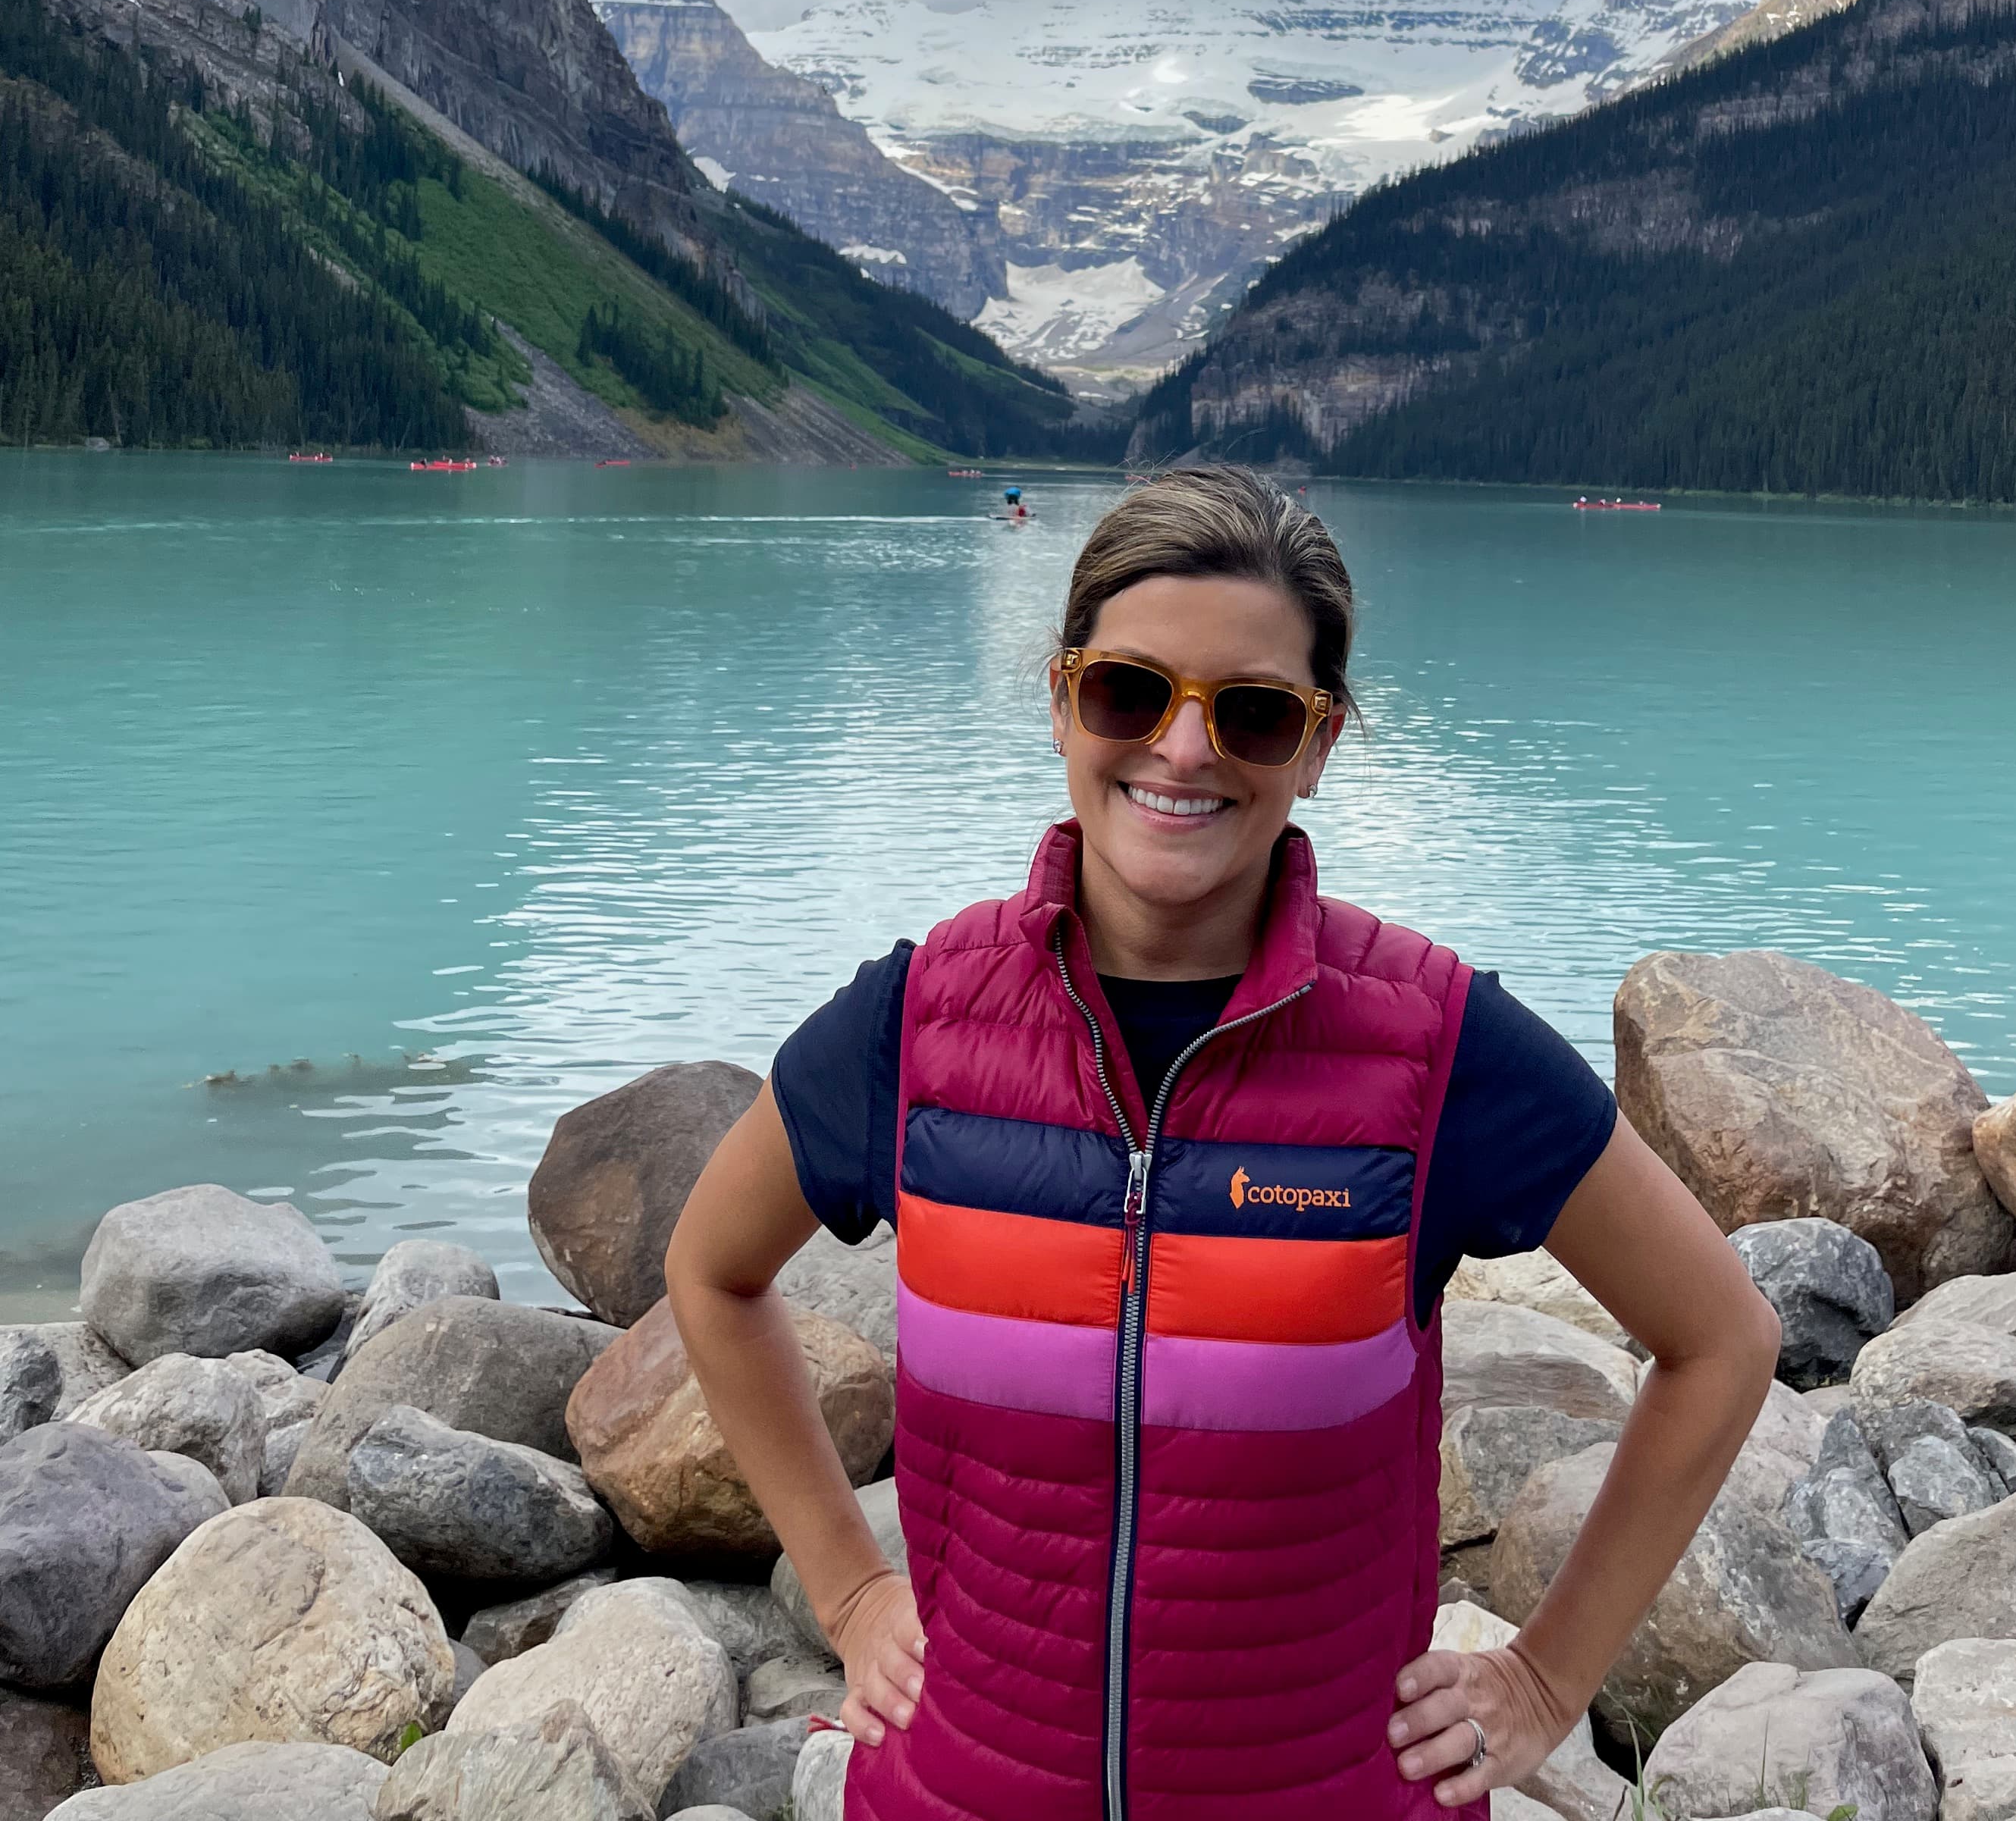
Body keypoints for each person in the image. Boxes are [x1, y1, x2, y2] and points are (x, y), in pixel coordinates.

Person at [667, 465, 1779, 1818]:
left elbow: (1722, 1339)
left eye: (1250, 714)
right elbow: (713, 1275)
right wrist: (847, 1588)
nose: (1184, 751)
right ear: (1065, 698)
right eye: (1131, 691)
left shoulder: (1434, 1048)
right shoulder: (913, 1024)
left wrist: (1546, 1685)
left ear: (1317, 744)